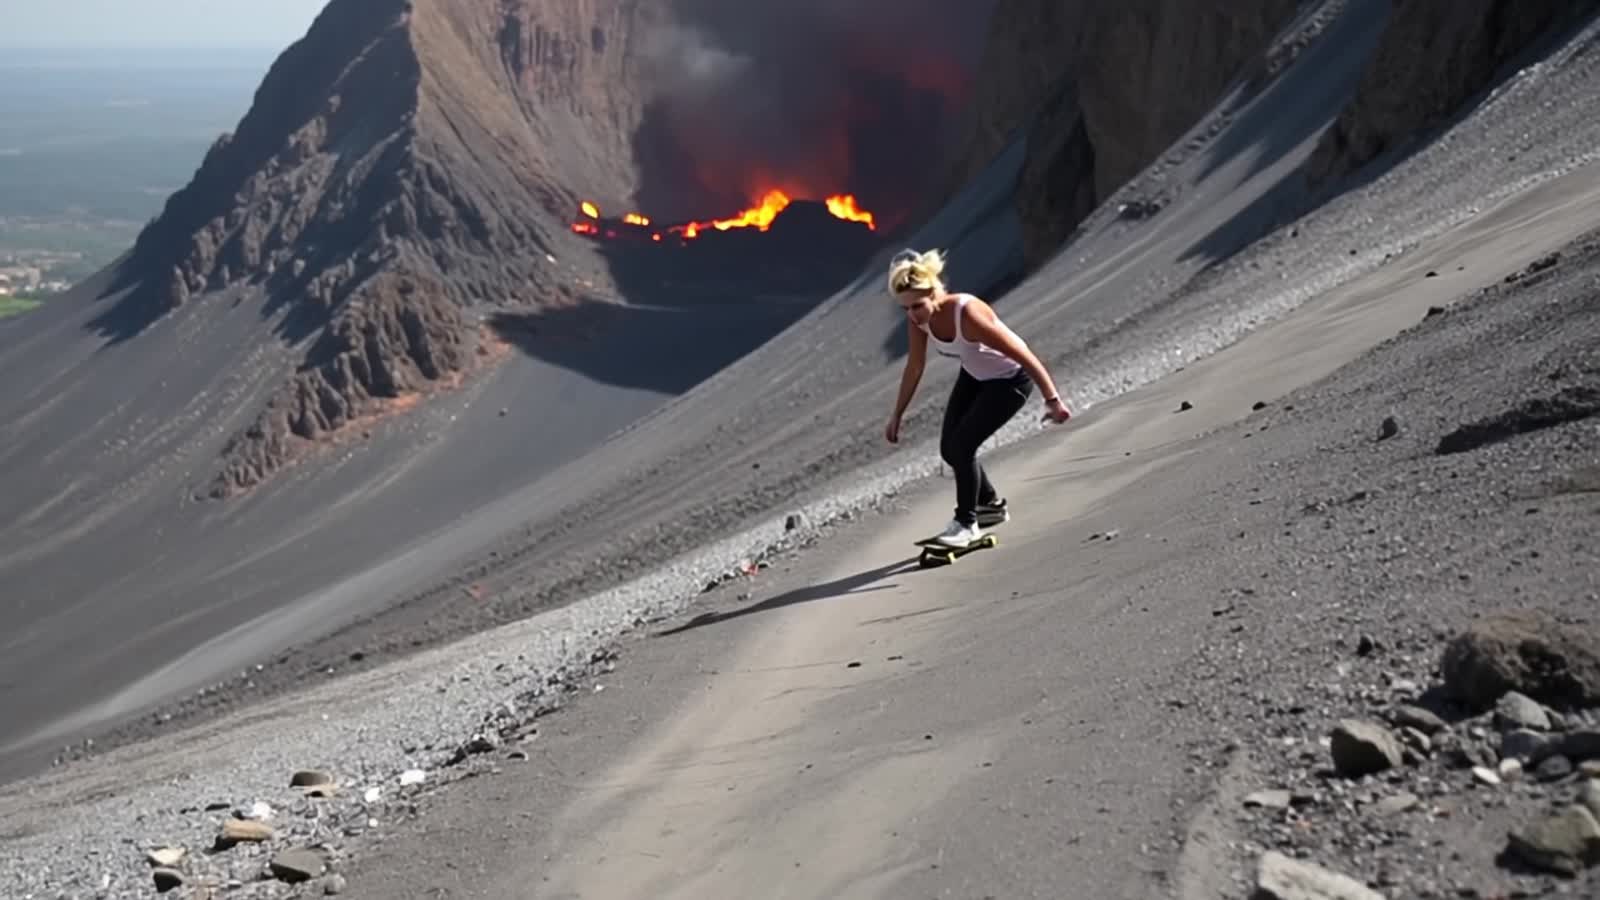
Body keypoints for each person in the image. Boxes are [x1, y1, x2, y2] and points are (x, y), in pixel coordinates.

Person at [884, 248, 1072, 547]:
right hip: (974, 376)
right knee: (950, 449)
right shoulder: (917, 319)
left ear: (935, 293)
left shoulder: (967, 314)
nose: (912, 314)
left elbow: (1023, 355)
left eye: (917, 306)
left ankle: (966, 523)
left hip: (1010, 381)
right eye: (905, 309)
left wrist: (1052, 400)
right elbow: (915, 366)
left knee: (962, 446)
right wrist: (897, 414)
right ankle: (990, 506)